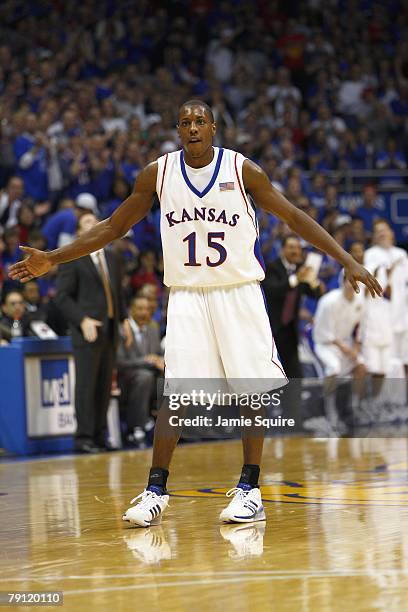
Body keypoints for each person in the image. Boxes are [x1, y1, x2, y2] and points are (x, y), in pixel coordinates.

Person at [9, 99, 382, 527]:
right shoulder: (158, 173)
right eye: (184, 122)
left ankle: (250, 488)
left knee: (250, 392)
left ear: (213, 128)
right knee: (177, 394)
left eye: (199, 121)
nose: (192, 128)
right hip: (186, 294)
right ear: (176, 128)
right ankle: (155, 490)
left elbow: (294, 217)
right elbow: (113, 227)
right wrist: (55, 257)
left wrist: (345, 259)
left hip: (237, 290)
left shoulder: (243, 171)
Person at [54, 212, 132, 453]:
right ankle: (84, 437)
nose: (93, 224)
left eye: (96, 221)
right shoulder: (72, 258)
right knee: (86, 385)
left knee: (103, 385)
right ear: (79, 232)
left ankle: (99, 435)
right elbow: (62, 297)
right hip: (86, 331)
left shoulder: (112, 256)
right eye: (87, 222)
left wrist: (124, 319)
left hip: (110, 329)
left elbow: (117, 294)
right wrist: (82, 319)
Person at [262, 235, 324, 378]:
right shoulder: (272, 267)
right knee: (271, 373)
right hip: (272, 329)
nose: (295, 251)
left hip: (291, 330)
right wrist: (297, 278)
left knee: (295, 375)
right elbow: (274, 290)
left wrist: (313, 281)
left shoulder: (300, 270)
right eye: (291, 247)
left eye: (297, 248)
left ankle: (292, 401)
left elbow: (315, 294)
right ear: (282, 249)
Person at [313, 275, 366, 430]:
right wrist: (347, 349)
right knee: (334, 368)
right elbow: (324, 332)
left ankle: (354, 408)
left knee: (361, 367)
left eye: (355, 282)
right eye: (349, 281)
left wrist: (356, 348)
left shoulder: (360, 302)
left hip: (346, 344)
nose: (352, 285)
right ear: (342, 282)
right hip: (325, 344)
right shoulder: (329, 302)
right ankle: (330, 411)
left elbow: (359, 329)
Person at [117, 295, 163, 448]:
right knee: (145, 377)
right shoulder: (122, 330)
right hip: (125, 378)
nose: (145, 312)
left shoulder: (153, 328)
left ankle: (175, 426)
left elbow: (158, 354)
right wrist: (146, 360)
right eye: (140, 309)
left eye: (148, 309)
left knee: (172, 376)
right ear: (131, 310)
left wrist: (161, 361)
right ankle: (137, 427)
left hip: (150, 376)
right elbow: (119, 362)